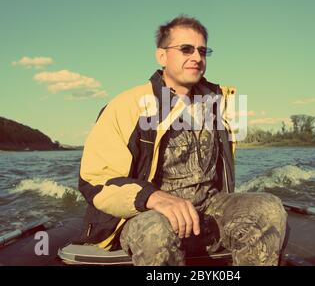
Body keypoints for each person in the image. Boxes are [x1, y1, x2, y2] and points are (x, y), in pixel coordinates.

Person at [78, 15, 287, 266]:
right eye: (186, 49)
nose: (197, 57)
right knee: (155, 231)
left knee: (269, 207)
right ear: (162, 56)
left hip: (210, 206)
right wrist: (154, 198)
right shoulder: (126, 106)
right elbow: (96, 180)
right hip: (147, 214)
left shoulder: (219, 102)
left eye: (202, 50)